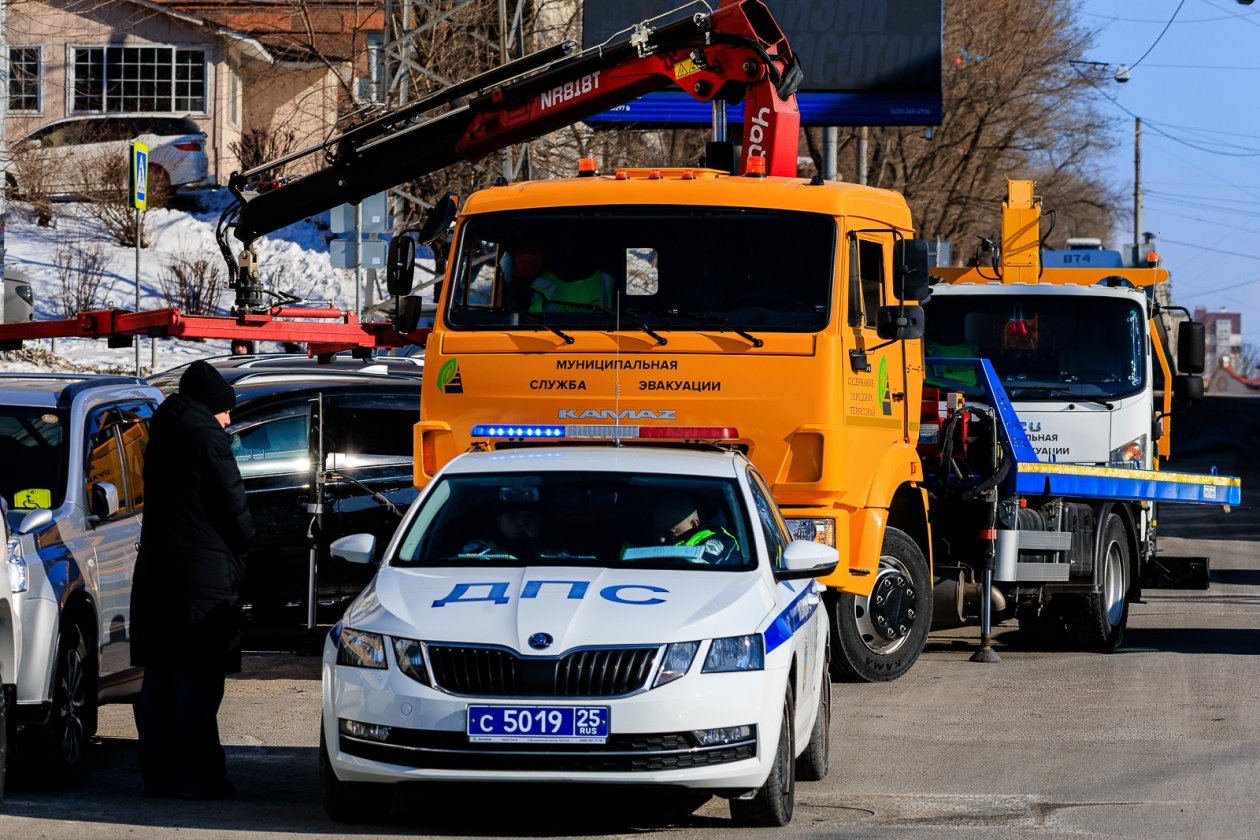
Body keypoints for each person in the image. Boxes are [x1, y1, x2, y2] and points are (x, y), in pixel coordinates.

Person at [130, 360, 255, 800]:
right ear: (210, 407)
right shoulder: (208, 439)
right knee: (200, 681)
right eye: (226, 410)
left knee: (160, 677)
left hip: (158, 575)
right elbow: (233, 505)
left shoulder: (162, 433)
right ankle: (201, 778)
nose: (229, 419)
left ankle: (160, 775)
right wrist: (246, 543)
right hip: (201, 578)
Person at [650, 492, 741, 564]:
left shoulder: (718, 541)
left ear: (694, 523)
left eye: (670, 533)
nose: (661, 540)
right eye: (658, 532)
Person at [459, 505, 544, 558]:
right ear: (499, 522)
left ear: (540, 522)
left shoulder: (554, 554)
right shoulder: (477, 553)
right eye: (513, 516)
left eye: (530, 517)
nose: (522, 523)